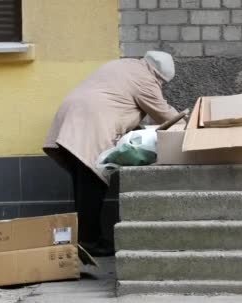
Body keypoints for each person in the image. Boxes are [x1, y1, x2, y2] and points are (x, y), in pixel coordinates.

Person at [43, 51, 180, 257]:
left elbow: (118, 104)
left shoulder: (124, 66)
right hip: (91, 124)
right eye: (161, 82)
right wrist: (192, 126)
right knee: (94, 184)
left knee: (84, 185)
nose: (160, 86)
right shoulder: (145, 79)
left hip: (71, 119)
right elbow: (165, 115)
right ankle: (90, 242)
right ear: (158, 75)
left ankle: (85, 240)